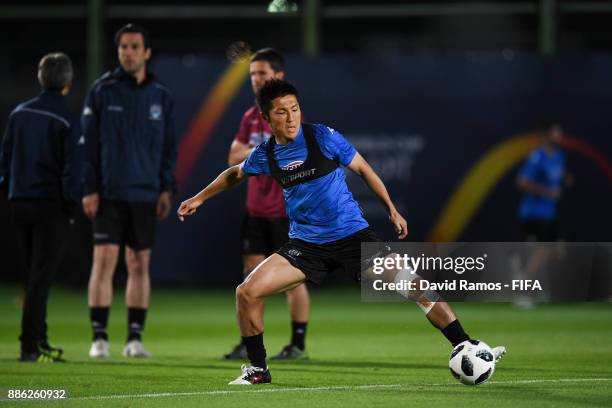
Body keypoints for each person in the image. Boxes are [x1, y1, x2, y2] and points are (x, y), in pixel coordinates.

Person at [177, 79, 505, 384]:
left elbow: (362, 167)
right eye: (281, 111)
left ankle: (467, 345)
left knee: (415, 286)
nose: (291, 117)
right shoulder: (267, 155)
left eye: (295, 108)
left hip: (352, 239)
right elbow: (235, 174)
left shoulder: (322, 137)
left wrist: (390, 207)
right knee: (246, 293)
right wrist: (198, 198)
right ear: (266, 118)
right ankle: (259, 371)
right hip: (305, 247)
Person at [82, 24, 176, 358]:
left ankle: (134, 339)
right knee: (104, 260)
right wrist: (88, 187)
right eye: (123, 47)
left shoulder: (161, 97)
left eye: (135, 46)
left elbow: (168, 148)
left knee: (139, 263)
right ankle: (99, 338)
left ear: (146, 53)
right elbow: (87, 143)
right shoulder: (102, 90)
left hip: (145, 193)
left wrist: (166, 188)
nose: (129, 52)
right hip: (107, 192)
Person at [224, 48, 310, 361]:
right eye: (252, 74)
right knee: (250, 279)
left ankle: (297, 343)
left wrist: (257, 153)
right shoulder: (252, 116)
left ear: (279, 76)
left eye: (262, 73)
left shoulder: (289, 115)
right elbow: (233, 157)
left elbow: (296, 156)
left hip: (286, 211)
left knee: (292, 279)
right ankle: (249, 342)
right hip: (255, 208)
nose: (256, 79)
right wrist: (264, 151)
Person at [0, 52, 79, 362]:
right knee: (41, 276)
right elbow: (71, 171)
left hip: (19, 203)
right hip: (50, 206)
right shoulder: (65, 118)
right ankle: (30, 345)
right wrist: (70, 207)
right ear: (68, 82)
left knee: (32, 273)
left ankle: (38, 338)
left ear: (41, 77)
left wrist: (11, 191)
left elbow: (5, 160)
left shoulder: (19, 113)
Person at [517, 122, 567, 242]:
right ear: (547, 135)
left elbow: (555, 176)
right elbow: (522, 183)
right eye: (556, 133)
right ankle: (519, 260)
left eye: (560, 133)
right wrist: (547, 192)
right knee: (542, 251)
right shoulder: (537, 157)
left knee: (558, 249)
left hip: (550, 214)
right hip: (534, 214)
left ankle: (519, 260)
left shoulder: (559, 156)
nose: (559, 136)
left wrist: (565, 178)